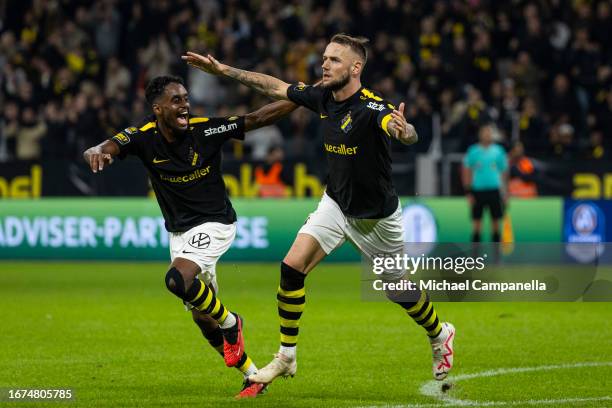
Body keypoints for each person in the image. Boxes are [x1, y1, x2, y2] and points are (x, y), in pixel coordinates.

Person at [182, 33, 456, 386]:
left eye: (334, 60)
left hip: (377, 219)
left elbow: (401, 128)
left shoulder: (371, 107)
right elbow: (276, 87)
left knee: (397, 289)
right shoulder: (322, 97)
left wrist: (405, 132)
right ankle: (286, 357)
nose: (324, 64)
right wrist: (223, 70)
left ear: (356, 68)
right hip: (336, 205)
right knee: (291, 268)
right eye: (325, 58)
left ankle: (439, 333)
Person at [83, 75, 298, 398]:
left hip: (215, 223)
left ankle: (232, 323)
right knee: (202, 319)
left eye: (185, 98)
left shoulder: (205, 129)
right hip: (180, 235)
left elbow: (256, 119)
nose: (185, 105)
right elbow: (110, 145)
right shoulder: (143, 136)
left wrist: (302, 99)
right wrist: (97, 150)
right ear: (158, 109)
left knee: (177, 281)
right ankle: (253, 376)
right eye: (176, 100)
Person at [462, 124, 509, 242]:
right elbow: (467, 171)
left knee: (496, 223)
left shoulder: (499, 151)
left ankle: (497, 256)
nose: (487, 135)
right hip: (478, 191)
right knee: (477, 224)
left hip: (494, 191)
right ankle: (475, 257)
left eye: (489, 132)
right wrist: (468, 192)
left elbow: (504, 172)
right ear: (480, 134)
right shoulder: (473, 151)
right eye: (484, 132)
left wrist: (505, 192)